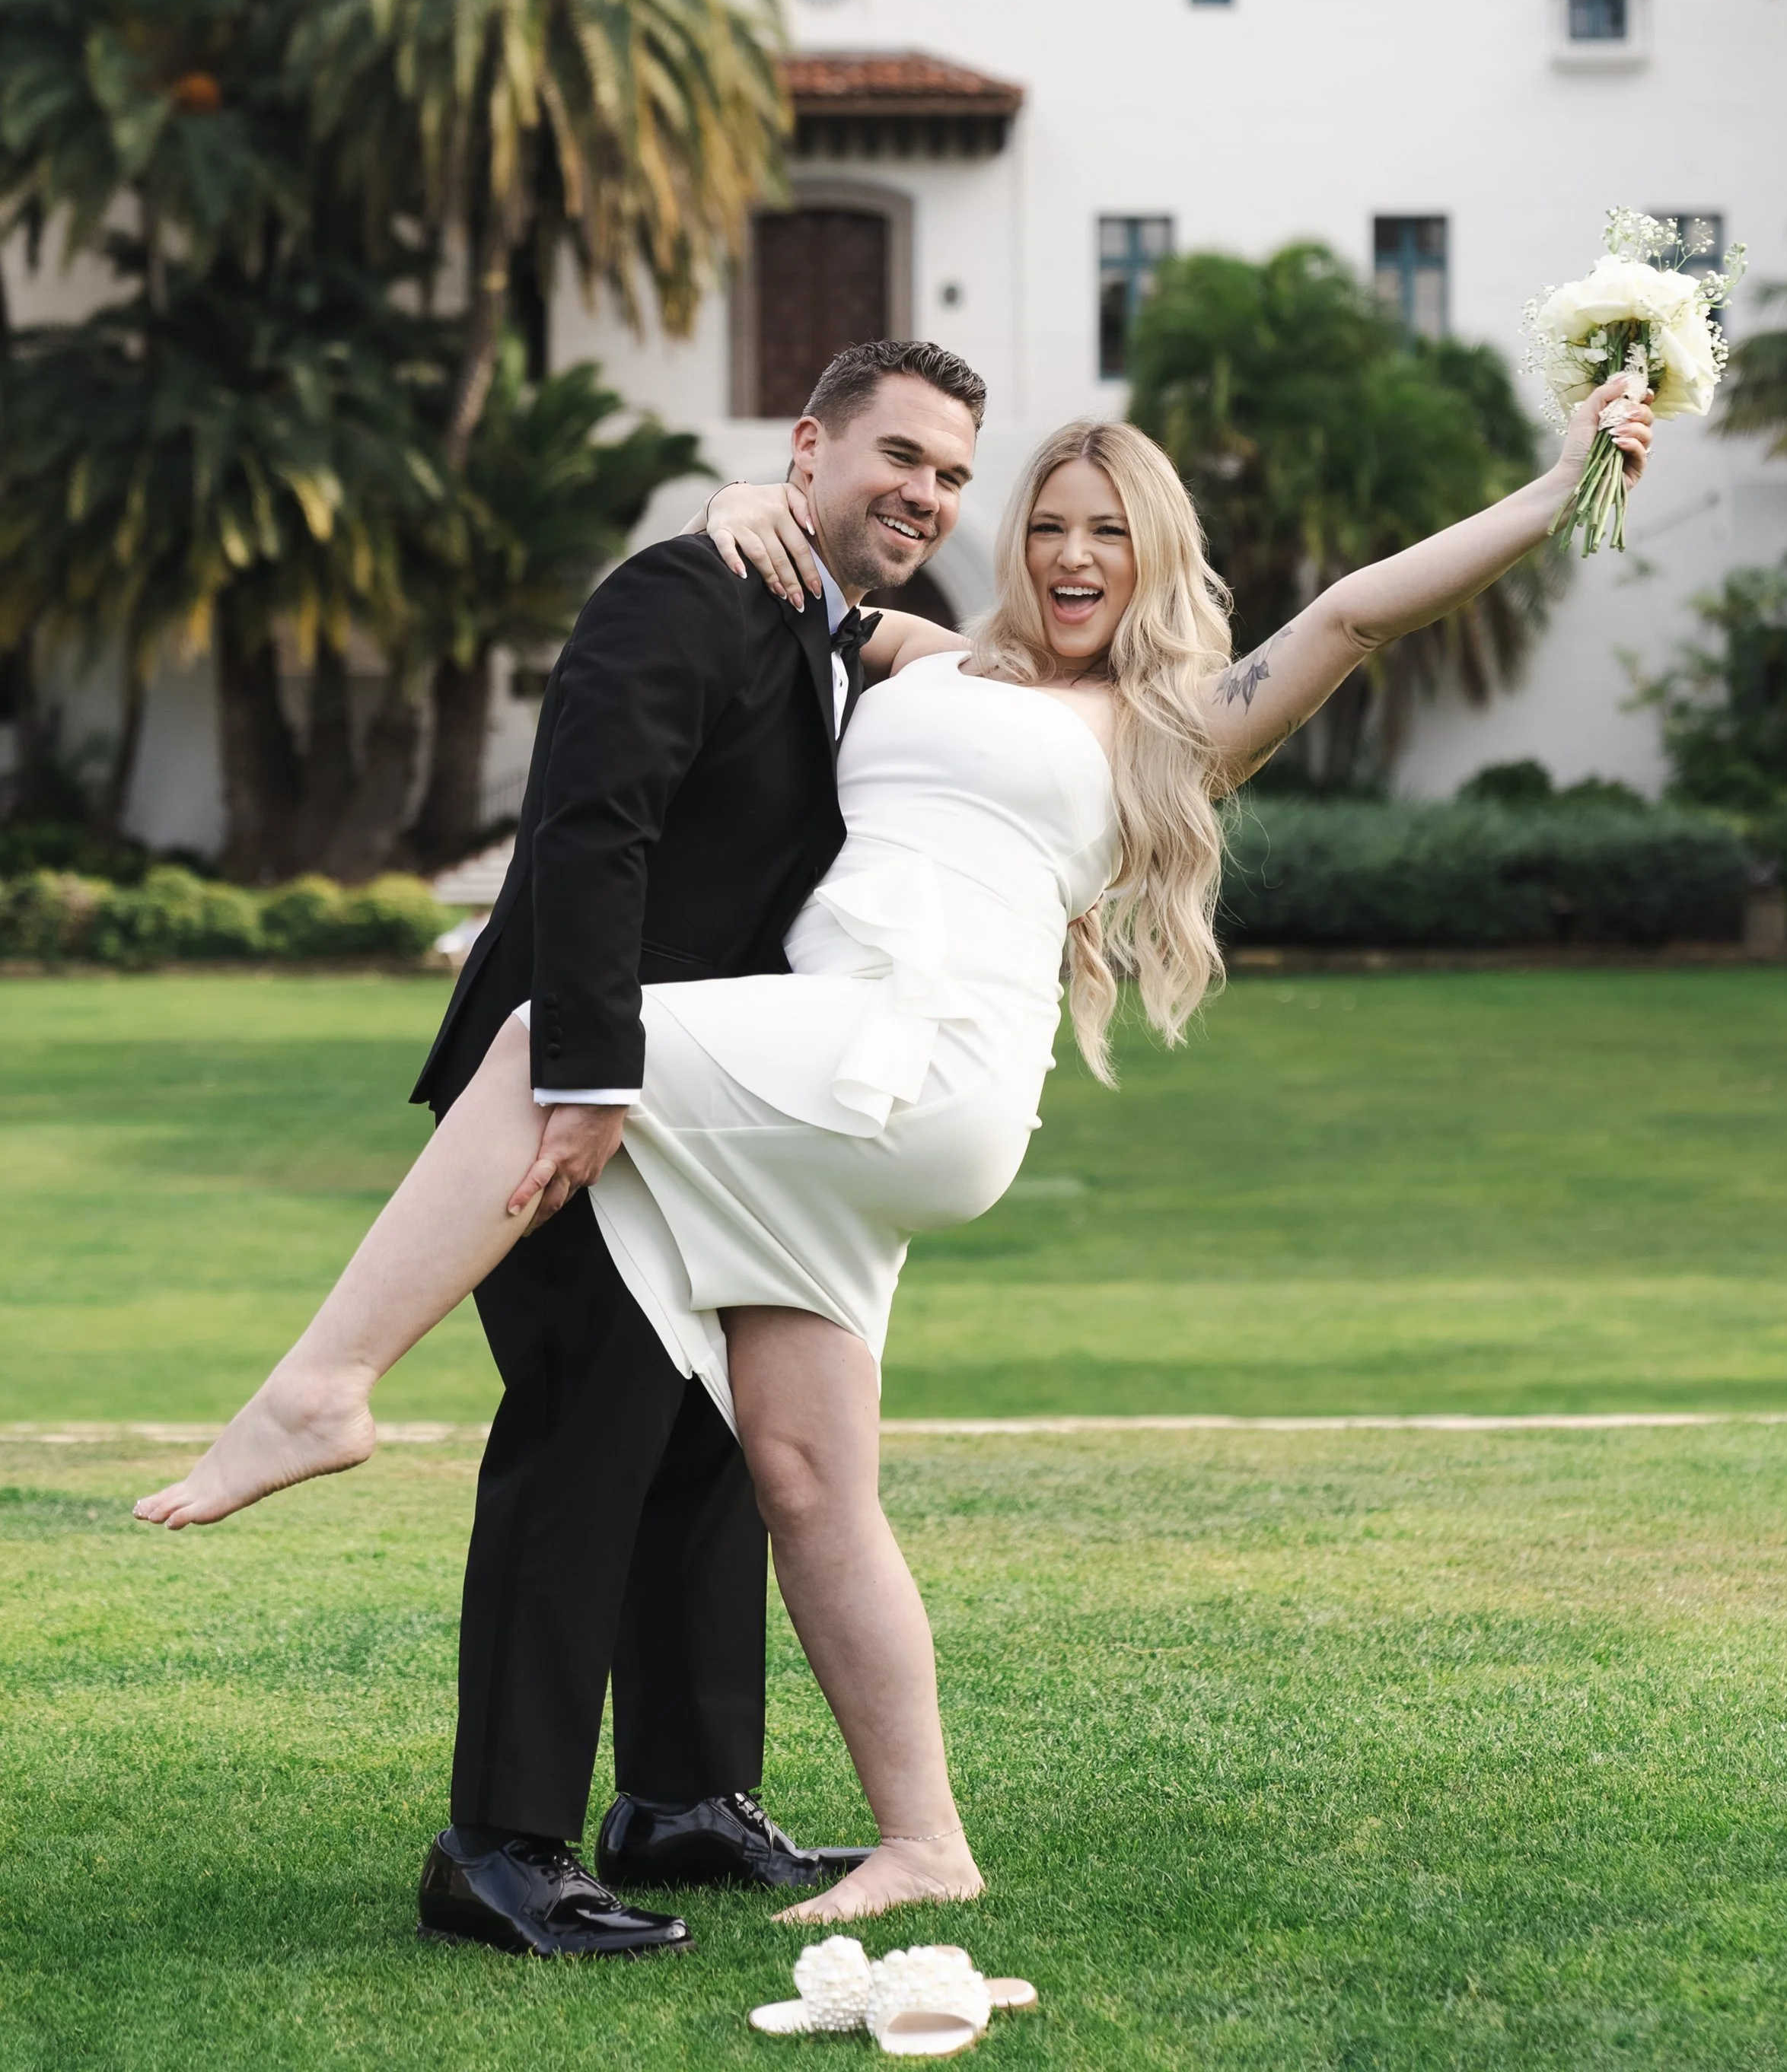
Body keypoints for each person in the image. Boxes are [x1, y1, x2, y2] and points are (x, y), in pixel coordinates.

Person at [135, 371, 1655, 1933]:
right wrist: (742, 505)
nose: (1074, 557)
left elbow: (1350, 615)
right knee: (799, 1476)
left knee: (545, 1045)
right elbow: (784, 598)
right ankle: (921, 1837)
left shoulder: (1165, 723)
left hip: (910, 1067)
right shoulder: (932, 655)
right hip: (835, 1080)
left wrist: (1558, 489)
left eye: (1110, 535)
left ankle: (317, 1390)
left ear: (1154, 558)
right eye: (1047, 524)